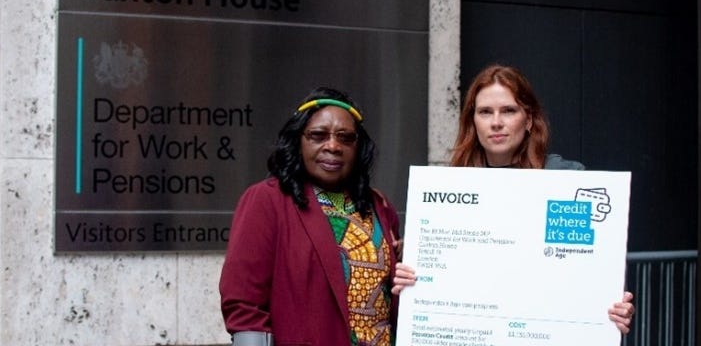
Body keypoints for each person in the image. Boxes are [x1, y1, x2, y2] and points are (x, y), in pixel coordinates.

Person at [393, 64, 635, 334]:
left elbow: (590, 274)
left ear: (529, 119)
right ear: (473, 121)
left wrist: (612, 310)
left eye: (508, 110)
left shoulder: (567, 181)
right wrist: (413, 277)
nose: (496, 122)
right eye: (485, 112)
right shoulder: (450, 187)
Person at [219, 87, 401, 346]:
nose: (333, 146)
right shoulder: (267, 200)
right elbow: (244, 302)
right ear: (298, 141)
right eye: (318, 135)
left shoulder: (379, 206)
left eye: (346, 138)